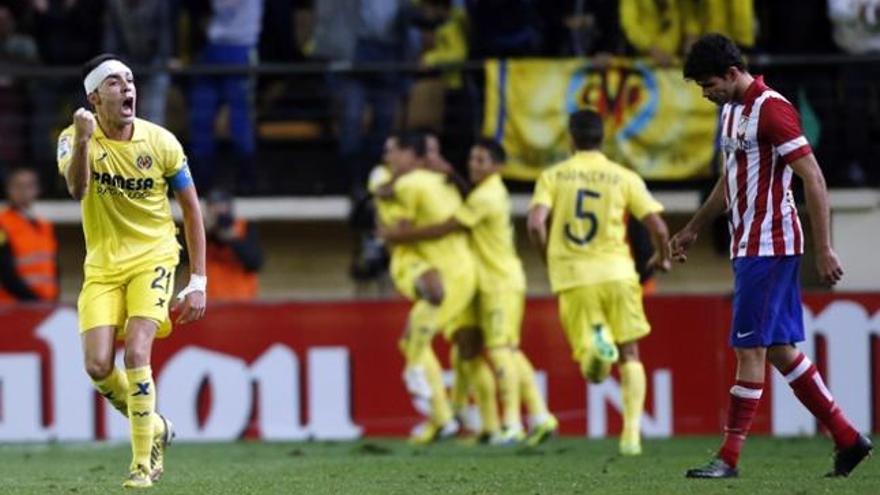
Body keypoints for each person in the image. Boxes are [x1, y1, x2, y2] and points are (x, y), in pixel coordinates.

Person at [673, 34, 871, 479]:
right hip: (750, 245)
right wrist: (692, 228)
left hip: (770, 245)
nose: (705, 94)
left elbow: (814, 179)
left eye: (708, 85)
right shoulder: (730, 113)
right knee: (780, 351)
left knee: (749, 349)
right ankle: (847, 437)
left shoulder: (772, 109)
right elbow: (731, 182)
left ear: (731, 73)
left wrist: (824, 248)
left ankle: (729, 457)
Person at [57, 54, 207, 488]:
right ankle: (155, 424)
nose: (127, 88)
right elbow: (77, 188)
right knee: (97, 364)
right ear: (93, 97)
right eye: (115, 83)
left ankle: (144, 463)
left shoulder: (161, 142)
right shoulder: (72, 139)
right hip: (103, 266)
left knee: (137, 353)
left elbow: (192, 211)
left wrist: (198, 280)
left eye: (131, 80)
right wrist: (85, 140)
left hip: (154, 257)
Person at [381, 138, 558, 445]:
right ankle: (496, 420)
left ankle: (514, 423)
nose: (475, 165)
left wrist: (400, 235)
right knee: (470, 350)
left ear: (498, 166)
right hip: (482, 280)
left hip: (499, 280)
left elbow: (449, 227)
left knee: (502, 350)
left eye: (482, 160)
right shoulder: (478, 191)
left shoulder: (487, 196)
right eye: (473, 158)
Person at [527, 109, 671, 456]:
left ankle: (597, 347)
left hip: (575, 276)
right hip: (619, 273)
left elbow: (534, 223)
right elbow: (659, 226)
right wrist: (662, 256)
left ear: (571, 138)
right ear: (602, 138)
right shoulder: (623, 176)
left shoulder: (554, 176)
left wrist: (548, 255)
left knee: (594, 372)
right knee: (631, 353)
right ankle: (632, 435)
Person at [373, 132, 500, 444]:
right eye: (425, 152)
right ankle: (455, 416)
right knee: (454, 347)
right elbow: (380, 189)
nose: (430, 158)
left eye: (434, 152)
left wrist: (397, 232)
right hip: (442, 267)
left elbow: (452, 219)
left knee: (475, 352)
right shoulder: (396, 178)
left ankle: (490, 423)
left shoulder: (440, 183)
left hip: (466, 273)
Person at [0, 167, 58, 303]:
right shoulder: (2, 223)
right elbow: (5, 271)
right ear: (9, 190)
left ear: (37, 190)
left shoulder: (45, 226)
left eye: (29, 186)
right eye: (18, 186)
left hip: (45, 305)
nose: (23, 191)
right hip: (13, 307)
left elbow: (53, 267)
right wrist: (34, 301)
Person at [205, 190, 264, 301]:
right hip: (210, 304)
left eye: (221, 206)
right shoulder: (201, 233)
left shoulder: (245, 227)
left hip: (242, 302)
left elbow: (255, 262)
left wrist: (233, 239)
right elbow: (184, 261)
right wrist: (207, 233)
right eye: (213, 207)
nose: (218, 212)